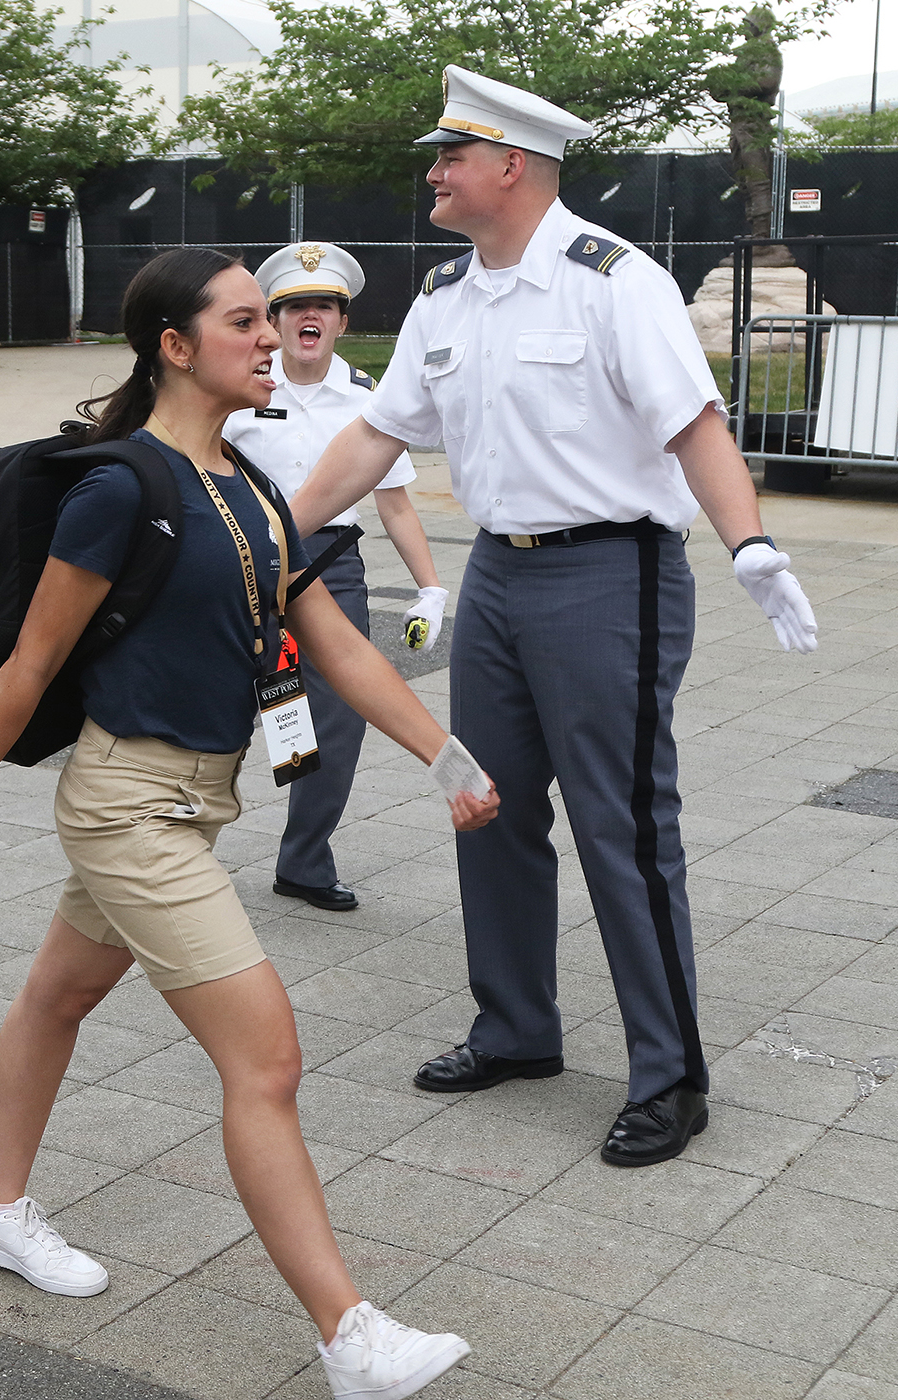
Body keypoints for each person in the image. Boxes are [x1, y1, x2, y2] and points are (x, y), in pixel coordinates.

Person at [0, 247, 500, 1400]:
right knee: (269, 1058)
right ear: (176, 347)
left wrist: (442, 755)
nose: (272, 335)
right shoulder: (118, 488)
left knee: (60, 993)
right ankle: (351, 1337)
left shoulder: (244, 485)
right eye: (244, 319)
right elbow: (32, 658)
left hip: (193, 802)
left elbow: (333, 642)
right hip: (128, 804)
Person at [291, 67, 820, 1168]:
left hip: (607, 575)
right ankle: (517, 1027)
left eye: (450, 156)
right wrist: (272, 529)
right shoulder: (444, 292)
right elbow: (377, 437)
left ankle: (671, 1076)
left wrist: (750, 542)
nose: (433, 173)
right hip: (499, 578)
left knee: (622, 828)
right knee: (480, 799)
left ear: (511, 166)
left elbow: (695, 423)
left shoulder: (611, 280)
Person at [224, 241, 449, 913]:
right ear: (276, 319)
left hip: (331, 567)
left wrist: (430, 586)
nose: (308, 317)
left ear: (342, 321)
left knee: (340, 719)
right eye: (294, 306)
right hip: (242, 561)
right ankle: (176, 851)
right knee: (216, 700)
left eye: (322, 305)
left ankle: (304, 859)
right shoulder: (244, 387)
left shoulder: (367, 401)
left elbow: (395, 499)